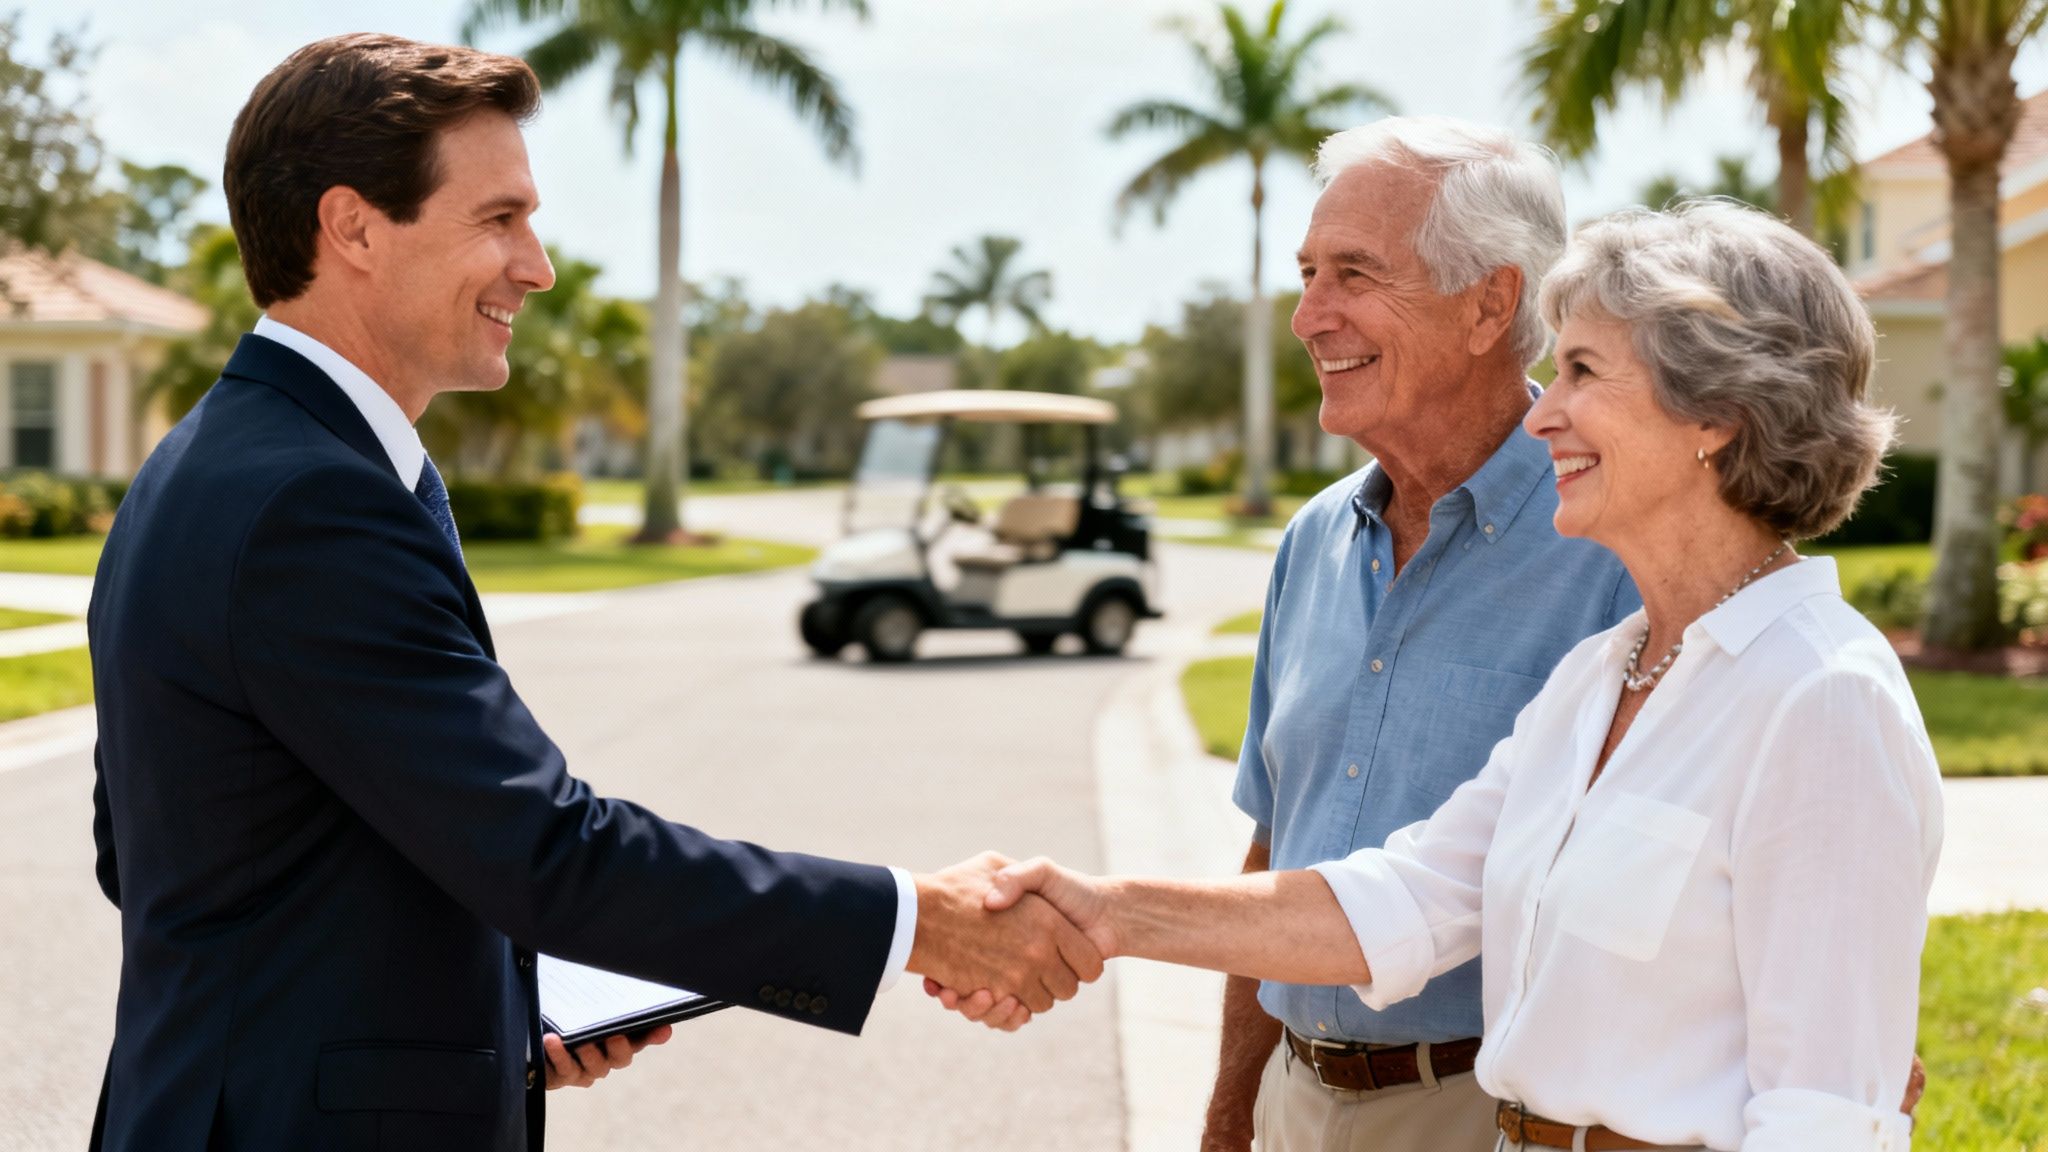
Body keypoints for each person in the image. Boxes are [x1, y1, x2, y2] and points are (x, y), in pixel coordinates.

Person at [86, 35, 1097, 1152]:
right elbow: (544, 853)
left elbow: (155, 852)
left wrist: (488, 1009)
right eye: (498, 218)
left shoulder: (211, 462)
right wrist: (919, 920)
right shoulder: (310, 500)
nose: (538, 264)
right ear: (354, 227)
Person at [962, 199, 1943, 1150]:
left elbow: (1823, 1118)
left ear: (1715, 415)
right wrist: (1107, 910)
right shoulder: (1602, 677)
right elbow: (1408, 900)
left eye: (1581, 373)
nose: (1543, 415)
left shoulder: (1821, 702)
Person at [949, 117, 1640, 1150]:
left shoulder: (1615, 547)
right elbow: (1274, 849)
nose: (1308, 316)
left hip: (1498, 1114)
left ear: (1488, 303)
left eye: (1352, 274)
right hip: (1292, 1098)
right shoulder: (1312, 543)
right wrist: (1230, 1117)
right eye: (1307, 272)